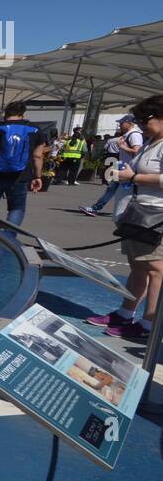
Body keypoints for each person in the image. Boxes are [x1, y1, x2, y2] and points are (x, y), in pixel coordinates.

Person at [86, 94, 163, 341]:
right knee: (137, 265)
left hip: (156, 214)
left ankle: (149, 323)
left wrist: (133, 178)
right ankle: (125, 313)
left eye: (145, 119)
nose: (140, 125)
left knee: (155, 269)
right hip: (138, 210)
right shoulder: (152, 142)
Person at [0, 100, 49, 227]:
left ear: (5, 113)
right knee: (17, 208)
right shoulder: (35, 130)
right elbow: (37, 156)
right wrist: (37, 177)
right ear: (23, 113)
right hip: (20, 176)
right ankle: (8, 236)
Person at [82, 115, 144, 217]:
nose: (119, 125)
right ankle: (96, 208)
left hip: (128, 169)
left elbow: (136, 151)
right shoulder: (128, 134)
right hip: (122, 166)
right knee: (114, 189)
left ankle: (97, 208)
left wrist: (122, 147)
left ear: (129, 123)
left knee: (125, 191)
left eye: (121, 123)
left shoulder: (134, 135)